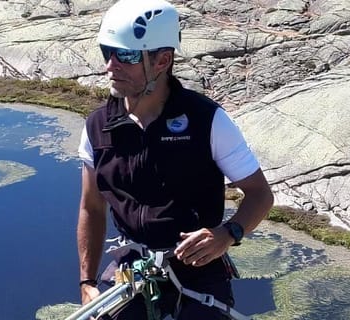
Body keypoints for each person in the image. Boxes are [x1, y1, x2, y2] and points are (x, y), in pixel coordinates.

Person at [76, 0, 274, 318]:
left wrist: (228, 234)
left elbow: (261, 194)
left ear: (162, 61)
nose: (110, 66)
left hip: (201, 265)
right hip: (132, 263)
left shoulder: (207, 121)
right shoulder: (97, 127)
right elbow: (92, 207)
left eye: (124, 55)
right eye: (107, 52)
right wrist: (87, 281)